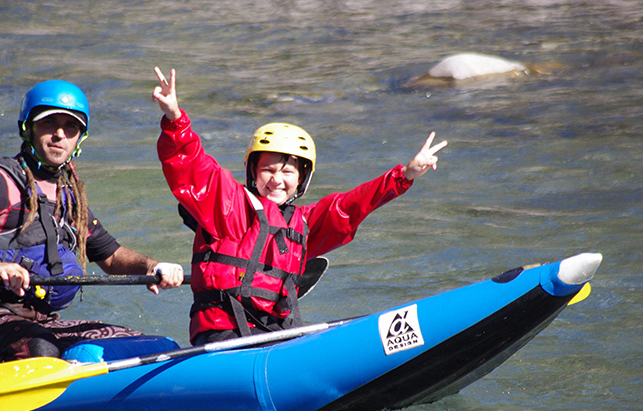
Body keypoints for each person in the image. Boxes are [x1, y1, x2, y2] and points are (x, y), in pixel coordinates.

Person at [152, 67, 446, 345]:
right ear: (253, 172)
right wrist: (175, 118)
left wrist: (404, 176)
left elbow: (351, 206)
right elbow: (192, 165)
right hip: (224, 338)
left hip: (277, 337)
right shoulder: (229, 205)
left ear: (302, 180)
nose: (277, 180)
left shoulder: (305, 224)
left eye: (288, 172)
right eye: (268, 169)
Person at [0, 79, 184, 370]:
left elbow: (111, 256)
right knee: (40, 349)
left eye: (70, 127)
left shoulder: (69, 199)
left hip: (40, 321)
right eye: (49, 123)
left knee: (146, 347)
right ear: (27, 128)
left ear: (79, 138)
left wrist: (154, 267)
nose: (60, 135)